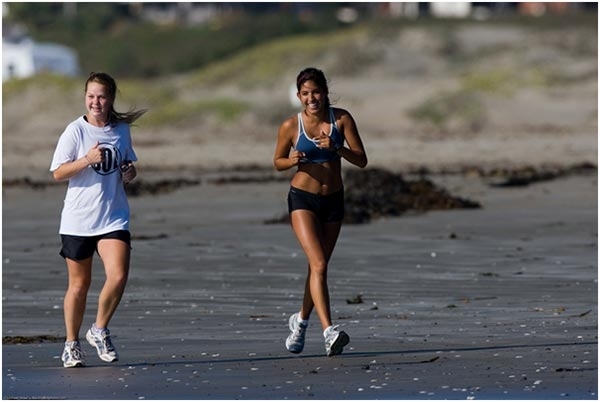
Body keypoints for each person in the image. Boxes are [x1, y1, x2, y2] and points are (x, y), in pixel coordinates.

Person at [50, 72, 146, 368]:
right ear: (85, 98)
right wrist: (86, 160)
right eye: (91, 96)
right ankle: (71, 345)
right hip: (78, 219)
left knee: (118, 275)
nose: (95, 102)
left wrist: (129, 172)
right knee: (79, 286)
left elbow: (127, 164)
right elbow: (57, 173)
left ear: (111, 99)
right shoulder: (75, 131)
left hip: (113, 216)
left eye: (101, 96)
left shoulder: (121, 130)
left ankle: (99, 329)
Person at [273, 67, 367, 356]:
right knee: (320, 265)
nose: (311, 98)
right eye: (305, 94)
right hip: (302, 199)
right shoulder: (291, 126)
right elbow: (277, 161)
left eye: (315, 92)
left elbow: (362, 160)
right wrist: (291, 161)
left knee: (318, 267)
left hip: (334, 201)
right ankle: (329, 332)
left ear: (325, 92)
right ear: (299, 97)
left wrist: (337, 146)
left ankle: (300, 322)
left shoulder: (341, 119)